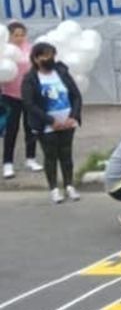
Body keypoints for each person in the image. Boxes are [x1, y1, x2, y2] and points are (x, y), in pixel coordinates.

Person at [20, 42, 82, 204]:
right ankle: (54, 189)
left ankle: (69, 185)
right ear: (36, 58)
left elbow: (76, 96)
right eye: (45, 55)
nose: (50, 58)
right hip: (46, 124)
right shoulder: (30, 78)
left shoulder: (62, 72)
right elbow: (29, 103)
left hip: (67, 122)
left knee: (66, 155)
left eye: (52, 55)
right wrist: (50, 121)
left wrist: (73, 116)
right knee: (51, 156)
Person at [2, 21, 41, 179]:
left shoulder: (30, 49)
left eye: (22, 34)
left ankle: (30, 159)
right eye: (15, 35)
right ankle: (8, 163)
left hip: (29, 95)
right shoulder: (4, 50)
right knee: (11, 130)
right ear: (9, 35)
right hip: (9, 96)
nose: (19, 38)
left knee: (30, 128)